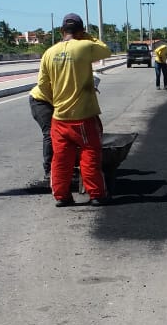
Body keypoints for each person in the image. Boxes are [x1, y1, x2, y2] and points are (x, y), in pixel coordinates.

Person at [36, 13, 111, 207]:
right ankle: (96, 194)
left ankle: (62, 197)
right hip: (83, 117)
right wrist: (88, 37)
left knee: (61, 158)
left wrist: (59, 102)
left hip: (59, 118)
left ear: (62, 31)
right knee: (89, 154)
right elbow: (105, 51)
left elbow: (43, 85)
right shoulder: (85, 46)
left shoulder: (49, 52)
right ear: (80, 31)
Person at [26, 81, 54, 190]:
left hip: (52, 100)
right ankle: (49, 172)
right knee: (50, 133)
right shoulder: (71, 86)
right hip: (40, 100)